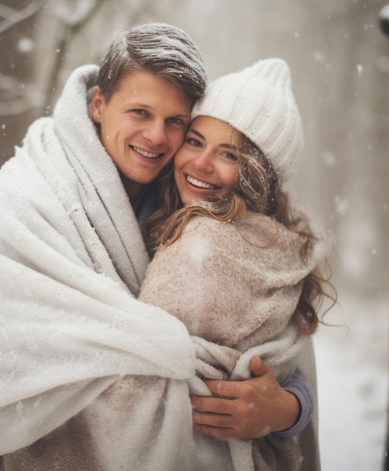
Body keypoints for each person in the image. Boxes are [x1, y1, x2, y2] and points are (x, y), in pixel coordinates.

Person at [0, 23, 317, 471]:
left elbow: (272, 338)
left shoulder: (190, 193)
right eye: (140, 112)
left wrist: (290, 408)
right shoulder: (26, 202)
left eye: (176, 122)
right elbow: (3, 355)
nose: (158, 137)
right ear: (98, 103)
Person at [139, 58, 333, 470]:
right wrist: (293, 408)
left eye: (228, 153)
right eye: (194, 141)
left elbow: (288, 357)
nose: (201, 163)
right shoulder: (277, 243)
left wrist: (289, 408)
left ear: (259, 176)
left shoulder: (212, 244)